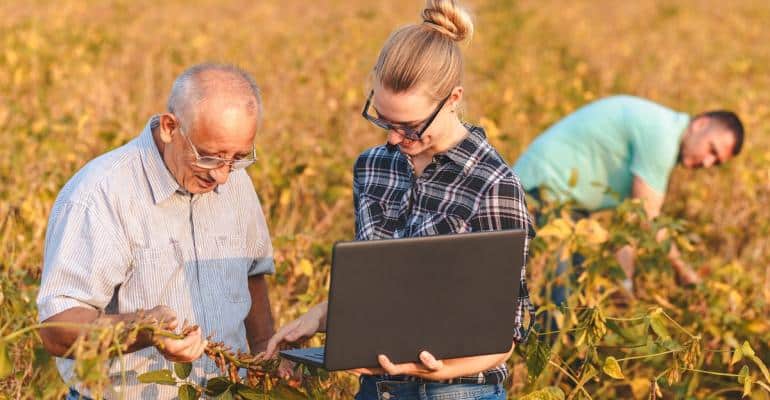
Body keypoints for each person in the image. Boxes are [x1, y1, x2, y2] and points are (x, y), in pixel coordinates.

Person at [265, 1, 536, 399]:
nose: (394, 139)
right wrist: (322, 316)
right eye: (383, 120)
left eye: (409, 126)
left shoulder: (493, 183)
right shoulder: (372, 167)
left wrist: (435, 371)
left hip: (457, 392)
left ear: (453, 98)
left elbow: (505, 335)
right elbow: (381, 283)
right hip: (378, 388)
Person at [36, 63, 276, 399]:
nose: (222, 175)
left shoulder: (236, 180)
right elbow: (56, 329)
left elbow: (252, 276)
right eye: (209, 157)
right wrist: (145, 327)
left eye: (238, 157)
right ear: (169, 127)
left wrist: (267, 356)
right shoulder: (99, 194)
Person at [513, 95, 744, 291]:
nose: (707, 162)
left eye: (716, 161)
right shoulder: (662, 137)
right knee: (557, 295)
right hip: (542, 190)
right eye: (711, 149)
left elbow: (632, 221)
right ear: (700, 124)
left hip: (565, 203)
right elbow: (647, 217)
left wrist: (624, 284)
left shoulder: (665, 131)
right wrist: (685, 273)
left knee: (575, 289)